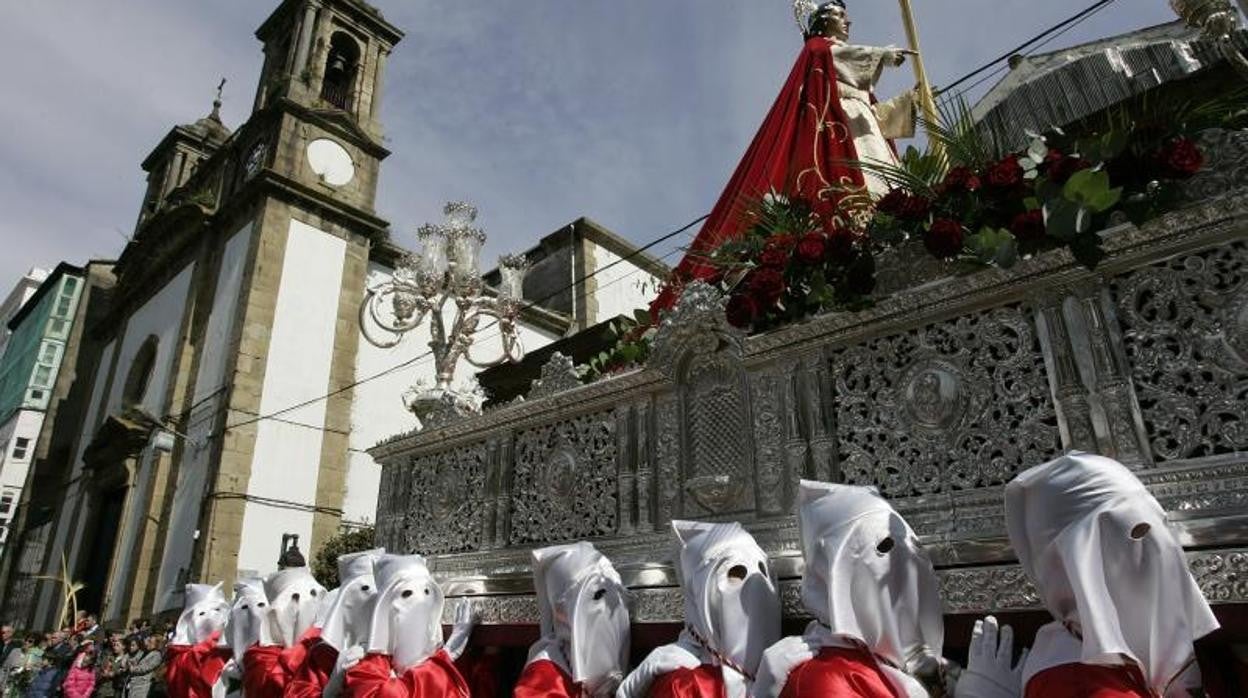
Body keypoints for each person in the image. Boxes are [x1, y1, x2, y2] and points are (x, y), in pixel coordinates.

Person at [998, 452, 1221, 697]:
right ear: (1076, 567)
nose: (1160, 550)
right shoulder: (1077, 685)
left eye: (1160, 526)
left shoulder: (1127, 657)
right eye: (1134, 534)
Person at [754, 480, 949, 698]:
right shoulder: (826, 680)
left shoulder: (904, 663)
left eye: (914, 546)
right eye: (884, 547)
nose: (905, 563)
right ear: (836, 572)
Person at [618, 521, 781, 698]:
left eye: (762, 571)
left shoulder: (787, 664)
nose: (755, 588)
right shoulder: (683, 686)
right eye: (735, 573)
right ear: (701, 594)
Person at [342, 554, 469, 698]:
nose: (419, 602)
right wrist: (441, 661)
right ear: (384, 610)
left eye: (427, 592)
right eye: (407, 593)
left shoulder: (445, 664)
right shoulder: (365, 670)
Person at [515, 542, 631, 698]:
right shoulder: (543, 681)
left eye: (616, 593)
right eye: (596, 597)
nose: (607, 609)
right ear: (561, 612)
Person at [241, 564, 327, 698]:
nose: (308, 604)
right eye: (295, 598)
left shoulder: (324, 650)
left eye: (314, 595)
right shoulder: (261, 658)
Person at [166, 583, 233, 698]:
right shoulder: (183, 659)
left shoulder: (234, 651)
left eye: (217, 610)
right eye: (202, 613)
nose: (210, 618)